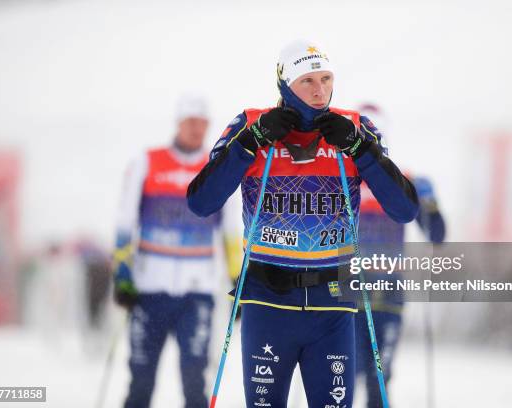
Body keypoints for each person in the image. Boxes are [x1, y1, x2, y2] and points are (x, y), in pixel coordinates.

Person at [187, 40, 419, 407]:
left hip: (332, 306)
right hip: (268, 302)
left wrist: (361, 149)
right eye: (307, 81)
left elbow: (404, 208)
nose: (319, 90)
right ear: (284, 83)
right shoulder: (249, 123)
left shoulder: (357, 127)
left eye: (326, 79)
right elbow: (201, 202)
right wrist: (253, 141)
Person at [112, 94, 222, 408]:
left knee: (194, 380)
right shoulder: (147, 161)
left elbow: (229, 231)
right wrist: (122, 275)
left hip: (196, 293)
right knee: (141, 380)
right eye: (190, 122)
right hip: (149, 292)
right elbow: (124, 222)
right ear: (178, 123)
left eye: (202, 123)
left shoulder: (215, 169)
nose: (197, 129)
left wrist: (236, 278)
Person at [353, 103, 446, 407]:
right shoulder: (340, 180)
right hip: (347, 295)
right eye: (364, 135)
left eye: (376, 136)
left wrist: (429, 204)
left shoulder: (402, 181)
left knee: (379, 376)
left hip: (389, 295)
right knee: (340, 375)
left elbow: (436, 235)